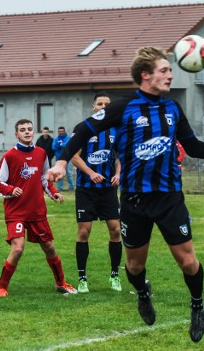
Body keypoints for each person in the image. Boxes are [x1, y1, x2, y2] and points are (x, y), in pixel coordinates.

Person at [47, 46, 204, 343]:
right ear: (145, 75)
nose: (170, 75)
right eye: (164, 70)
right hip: (133, 201)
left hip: (169, 198)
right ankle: (143, 293)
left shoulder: (172, 109)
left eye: (170, 70)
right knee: (133, 267)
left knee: (188, 262)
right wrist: (62, 162)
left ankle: (197, 305)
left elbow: (193, 146)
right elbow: (83, 130)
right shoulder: (123, 106)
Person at [0, 119, 77, 297]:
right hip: (16, 212)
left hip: (37, 211)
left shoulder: (41, 153)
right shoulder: (9, 156)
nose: (27, 132)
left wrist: (52, 192)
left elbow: (44, 178)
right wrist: (10, 189)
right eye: (22, 130)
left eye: (30, 129)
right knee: (18, 249)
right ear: (17, 134)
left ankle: (61, 283)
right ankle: (2, 287)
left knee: (50, 248)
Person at [70, 92, 123, 293]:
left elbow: (119, 157)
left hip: (108, 189)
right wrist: (91, 173)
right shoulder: (83, 128)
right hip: (86, 189)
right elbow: (74, 157)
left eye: (106, 104)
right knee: (84, 231)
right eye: (99, 104)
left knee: (116, 230)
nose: (103, 107)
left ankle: (114, 275)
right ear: (93, 107)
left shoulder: (116, 130)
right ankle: (82, 278)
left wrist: (118, 174)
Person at [52, 126, 75, 191]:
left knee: (69, 173)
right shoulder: (56, 139)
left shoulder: (68, 138)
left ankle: (71, 187)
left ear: (64, 131)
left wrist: (60, 145)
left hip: (67, 158)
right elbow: (53, 147)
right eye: (59, 131)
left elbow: (67, 145)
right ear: (58, 132)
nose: (61, 132)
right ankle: (60, 188)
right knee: (59, 174)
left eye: (62, 131)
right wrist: (61, 145)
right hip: (59, 159)